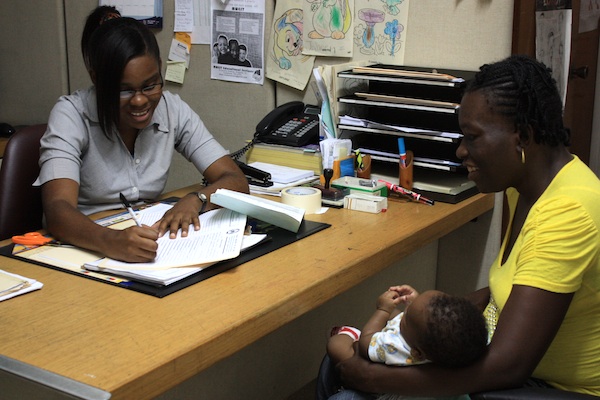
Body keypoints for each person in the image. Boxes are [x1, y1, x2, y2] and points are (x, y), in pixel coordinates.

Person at [318, 55, 600, 398]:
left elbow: (509, 366)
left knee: (350, 390)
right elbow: (512, 292)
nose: (460, 151)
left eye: (472, 137)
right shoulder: (527, 186)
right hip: (513, 366)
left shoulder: (568, 211)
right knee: (346, 366)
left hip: (549, 388)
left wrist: (373, 378)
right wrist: (424, 321)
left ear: (523, 137)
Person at [36, 9, 248, 264]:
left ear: (159, 69)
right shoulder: (71, 114)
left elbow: (235, 180)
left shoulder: (172, 109)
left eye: (150, 86)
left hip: (148, 243)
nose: (139, 101)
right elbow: (57, 210)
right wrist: (110, 241)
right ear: (97, 79)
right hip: (85, 247)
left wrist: (197, 199)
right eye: (123, 90)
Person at [327, 285, 487, 373]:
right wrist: (416, 304)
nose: (405, 312)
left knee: (336, 345)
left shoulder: (394, 347)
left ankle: (348, 334)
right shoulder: (452, 348)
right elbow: (424, 320)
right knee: (400, 317)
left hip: (378, 377)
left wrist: (383, 310)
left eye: (407, 316)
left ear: (416, 353)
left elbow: (365, 343)